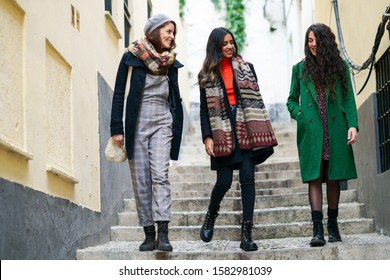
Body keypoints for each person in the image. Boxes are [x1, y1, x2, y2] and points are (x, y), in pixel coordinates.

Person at [198, 27, 277, 251]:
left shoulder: (247, 68)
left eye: (231, 42)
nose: (230, 46)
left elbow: (255, 100)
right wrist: (207, 137)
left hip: (245, 127)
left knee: (248, 180)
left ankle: (246, 234)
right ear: (216, 47)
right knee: (223, 181)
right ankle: (211, 214)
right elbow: (204, 110)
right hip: (221, 130)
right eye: (224, 44)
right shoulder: (207, 74)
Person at [110, 14, 183, 252]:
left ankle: (163, 233)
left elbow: (174, 97)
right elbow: (119, 91)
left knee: (160, 175)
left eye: (173, 32)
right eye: (168, 31)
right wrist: (116, 129)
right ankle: (148, 233)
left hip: (163, 121)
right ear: (154, 32)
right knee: (141, 179)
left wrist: (175, 123)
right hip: (137, 123)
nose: (172, 36)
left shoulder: (171, 62)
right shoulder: (132, 56)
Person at [286, 23, 359, 247]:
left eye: (316, 39)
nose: (313, 44)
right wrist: (300, 116)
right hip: (312, 130)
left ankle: (333, 226)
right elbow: (291, 100)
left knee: (333, 177)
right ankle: (317, 230)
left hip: (335, 129)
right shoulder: (299, 69)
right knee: (315, 177)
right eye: (309, 40)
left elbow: (348, 98)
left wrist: (353, 125)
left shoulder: (339, 67)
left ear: (325, 41)